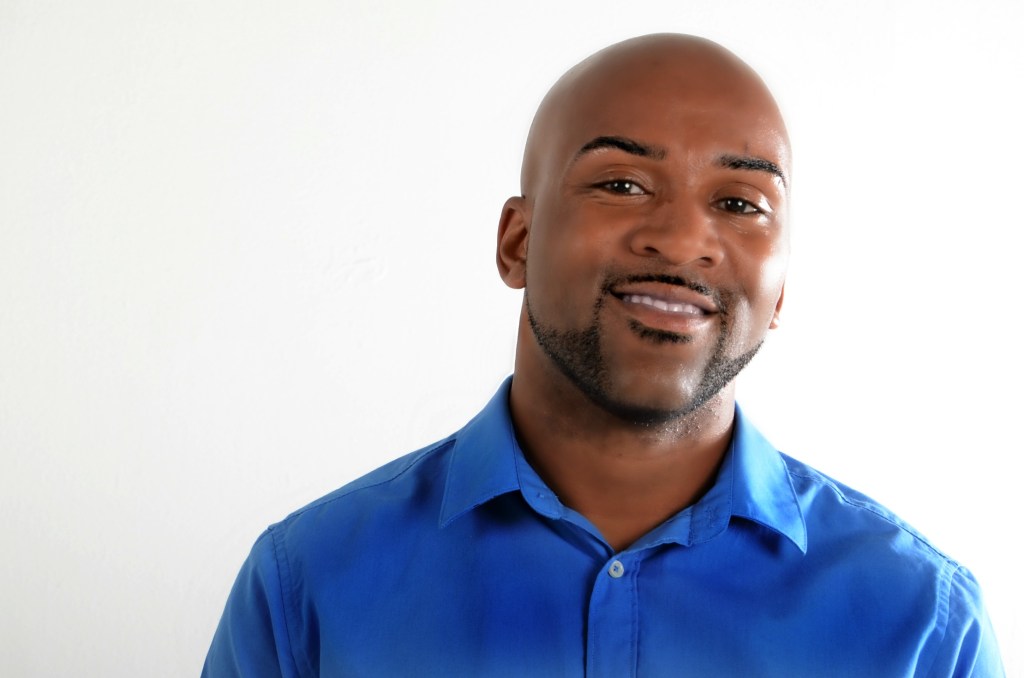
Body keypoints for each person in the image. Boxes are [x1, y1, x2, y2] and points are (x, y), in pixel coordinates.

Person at [202, 34, 1003, 676]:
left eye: (739, 203)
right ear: (517, 242)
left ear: (783, 288)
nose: (685, 239)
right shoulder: (307, 586)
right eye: (622, 184)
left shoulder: (922, 626)